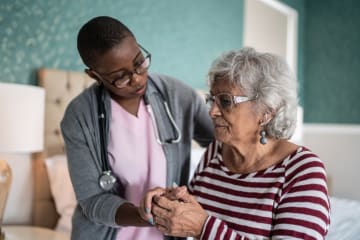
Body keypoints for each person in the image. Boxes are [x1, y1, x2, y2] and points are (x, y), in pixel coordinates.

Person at [140, 47, 331, 239]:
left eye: (225, 101)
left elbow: (201, 224)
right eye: (211, 99)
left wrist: (204, 229)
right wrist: (171, 202)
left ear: (266, 112)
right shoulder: (216, 151)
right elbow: (196, 212)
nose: (212, 111)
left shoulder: (302, 171)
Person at [60, 16, 214, 240]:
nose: (138, 79)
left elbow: (223, 146)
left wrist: (192, 198)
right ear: (94, 75)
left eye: (139, 63)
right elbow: (92, 200)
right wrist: (145, 214)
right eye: (121, 77)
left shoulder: (178, 96)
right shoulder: (79, 117)